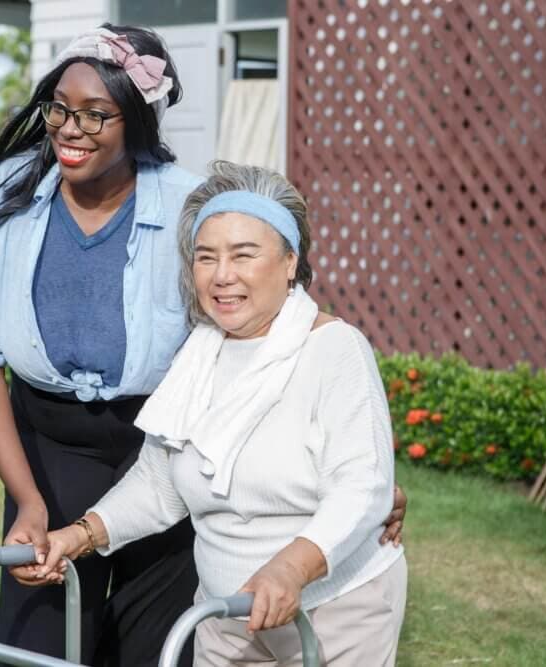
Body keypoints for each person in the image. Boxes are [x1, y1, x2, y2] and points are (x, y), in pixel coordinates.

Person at [0, 24, 406, 666]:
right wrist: (50, 515)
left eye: (96, 113)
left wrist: (367, 482)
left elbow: (280, 342)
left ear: (136, 121)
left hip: (198, 464)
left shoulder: (202, 214)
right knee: (39, 641)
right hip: (53, 447)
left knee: (155, 643)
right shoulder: (9, 198)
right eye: (60, 108)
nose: (71, 127)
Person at [39, 162, 408, 666]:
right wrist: (78, 536)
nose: (222, 275)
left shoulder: (335, 350)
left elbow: (362, 488)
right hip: (223, 613)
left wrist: (290, 570)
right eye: (206, 257)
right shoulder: (199, 355)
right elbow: (159, 483)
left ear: (289, 262)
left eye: (244, 254)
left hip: (336, 608)